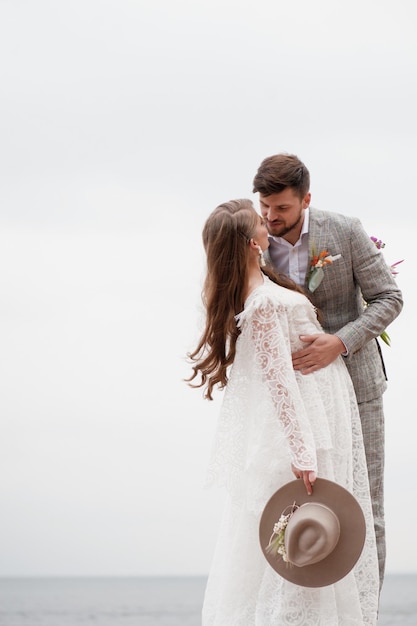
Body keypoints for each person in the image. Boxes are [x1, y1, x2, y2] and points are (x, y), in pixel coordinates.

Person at [186, 199, 379, 625]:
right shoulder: (265, 303)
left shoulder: (264, 292)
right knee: (301, 533)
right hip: (309, 428)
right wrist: (304, 450)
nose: (267, 225)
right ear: (251, 244)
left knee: (314, 532)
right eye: (260, 223)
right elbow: (278, 382)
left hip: (321, 417)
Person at [252, 153, 404, 590]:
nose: (270, 217)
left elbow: (389, 298)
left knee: (365, 506)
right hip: (293, 401)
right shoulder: (253, 240)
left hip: (358, 390)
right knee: (292, 504)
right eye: (264, 206)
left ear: (306, 200)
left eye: (281, 208)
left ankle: (366, 613)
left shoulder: (345, 231)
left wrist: (340, 342)